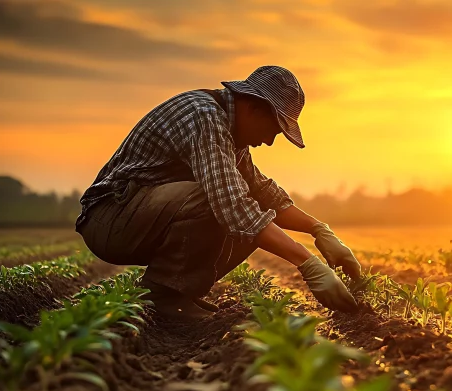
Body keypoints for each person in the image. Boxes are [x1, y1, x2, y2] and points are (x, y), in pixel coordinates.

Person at [75, 65, 362, 321]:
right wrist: (306, 262)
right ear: (254, 108)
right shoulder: (205, 117)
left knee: (255, 216)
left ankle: (177, 292)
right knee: (221, 202)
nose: (270, 141)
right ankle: (164, 296)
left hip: (134, 218)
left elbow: (263, 192)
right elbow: (233, 204)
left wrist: (319, 230)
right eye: (273, 129)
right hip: (110, 218)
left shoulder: (230, 131)